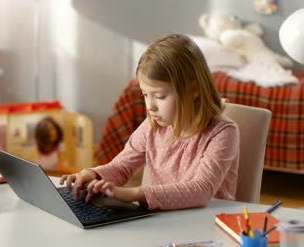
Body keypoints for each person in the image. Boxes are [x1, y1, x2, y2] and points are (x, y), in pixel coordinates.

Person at [60, 33, 239, 210]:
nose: (150, 106)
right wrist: (93, 174)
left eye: (160, 96)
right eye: (145, 94)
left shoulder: (222, 133)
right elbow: (122, 166)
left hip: (206, 225)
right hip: (162, 222)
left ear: (194, 90)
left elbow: (201, 190)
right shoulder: (153, 126)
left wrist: (134, 194)